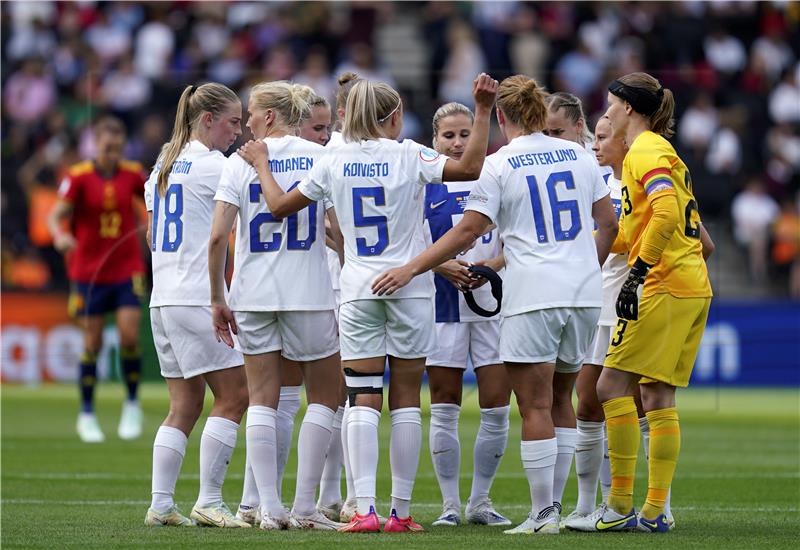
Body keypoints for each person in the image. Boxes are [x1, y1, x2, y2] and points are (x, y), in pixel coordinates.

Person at [239, 73, 499, 533]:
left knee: (361, 398)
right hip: (410, 289)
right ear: (395, 117)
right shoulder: (409, 154)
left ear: (347, 116)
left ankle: (365, 509)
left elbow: (278, 207)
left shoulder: (331, 159)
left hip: (359, 288)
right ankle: (399, 512)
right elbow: (471, 167)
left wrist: (261, 164)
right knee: (404, 401)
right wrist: (481, 110)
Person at [371, 74, 619, 536]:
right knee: (563, 399)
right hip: (584, 294)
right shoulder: (582, 158)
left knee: (535, 405)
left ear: (502, 116)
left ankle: (543, 514)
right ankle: (557, 511)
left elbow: (467, 232)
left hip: (534, 296)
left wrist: (410, 268)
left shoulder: (501, 163)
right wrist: (587, 267)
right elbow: (608, 223)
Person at [210, 81, 343, 530]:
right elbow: (339, 230)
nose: (246, 120)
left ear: (269, 115)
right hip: (309, 293)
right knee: (326, 396)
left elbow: (216, 238)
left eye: (250, 112)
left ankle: (268, 509)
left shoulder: (239, 163)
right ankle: (307, 506)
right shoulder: (322, 157)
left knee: (263, 400)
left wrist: (217, 297)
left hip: (252, 295)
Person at [592, 72, 713, 533]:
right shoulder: (659, 151)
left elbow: (664, 213)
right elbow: (646, 225)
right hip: (691, 284)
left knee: (609, 388)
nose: (606, 114)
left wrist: (637, 273)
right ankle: (654, 510)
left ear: (626, 107)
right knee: (657, 394)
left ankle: (620, 504)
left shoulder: (644, 150)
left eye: (609, 106)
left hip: (662, 284)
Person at [143, 83, 250, 528]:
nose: (238, 132)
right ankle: (209, 500)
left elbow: (151, 235)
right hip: (194, 297)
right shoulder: (213, 167)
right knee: (236, 395)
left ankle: (161, 504)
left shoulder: (162, 167)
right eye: (233, 122)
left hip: (162, 298)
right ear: (207, 120)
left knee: (184, 405)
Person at [423, 102, 512, 527]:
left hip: (492, 304)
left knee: (497, 403)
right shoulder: (424, 182)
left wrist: (487, 269)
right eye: (449, 136)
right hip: (441, 306)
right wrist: (442, 265)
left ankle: (481, 500)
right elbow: (406, 240)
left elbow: (517, 240)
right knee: (444, 403)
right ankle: (449, 506)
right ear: (434, 140)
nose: (458, 143)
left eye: (464, 134)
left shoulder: (496, 176)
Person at [48, 115, 147, 443]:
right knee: (92, 343)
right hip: (88, 272)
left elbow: (152, 202)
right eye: (106, 147)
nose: (112, 153)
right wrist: (60, 236)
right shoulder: (77, 177)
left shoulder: (132, 174)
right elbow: (55, 215)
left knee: (129, 335)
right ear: (96, 145)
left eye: (117, 147)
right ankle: (86, 413)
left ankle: (132, 404)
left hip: (126, 267)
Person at [542, 91, 610, 516]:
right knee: (579, 399)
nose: (550, 140)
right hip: (563, 294)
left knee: (611, 398)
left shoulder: (600, 166)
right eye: (544, 132)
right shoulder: (542, 168)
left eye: (558, 132)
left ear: (579, 129)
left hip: (602, 295)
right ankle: (588, 504)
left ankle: (614, 502)